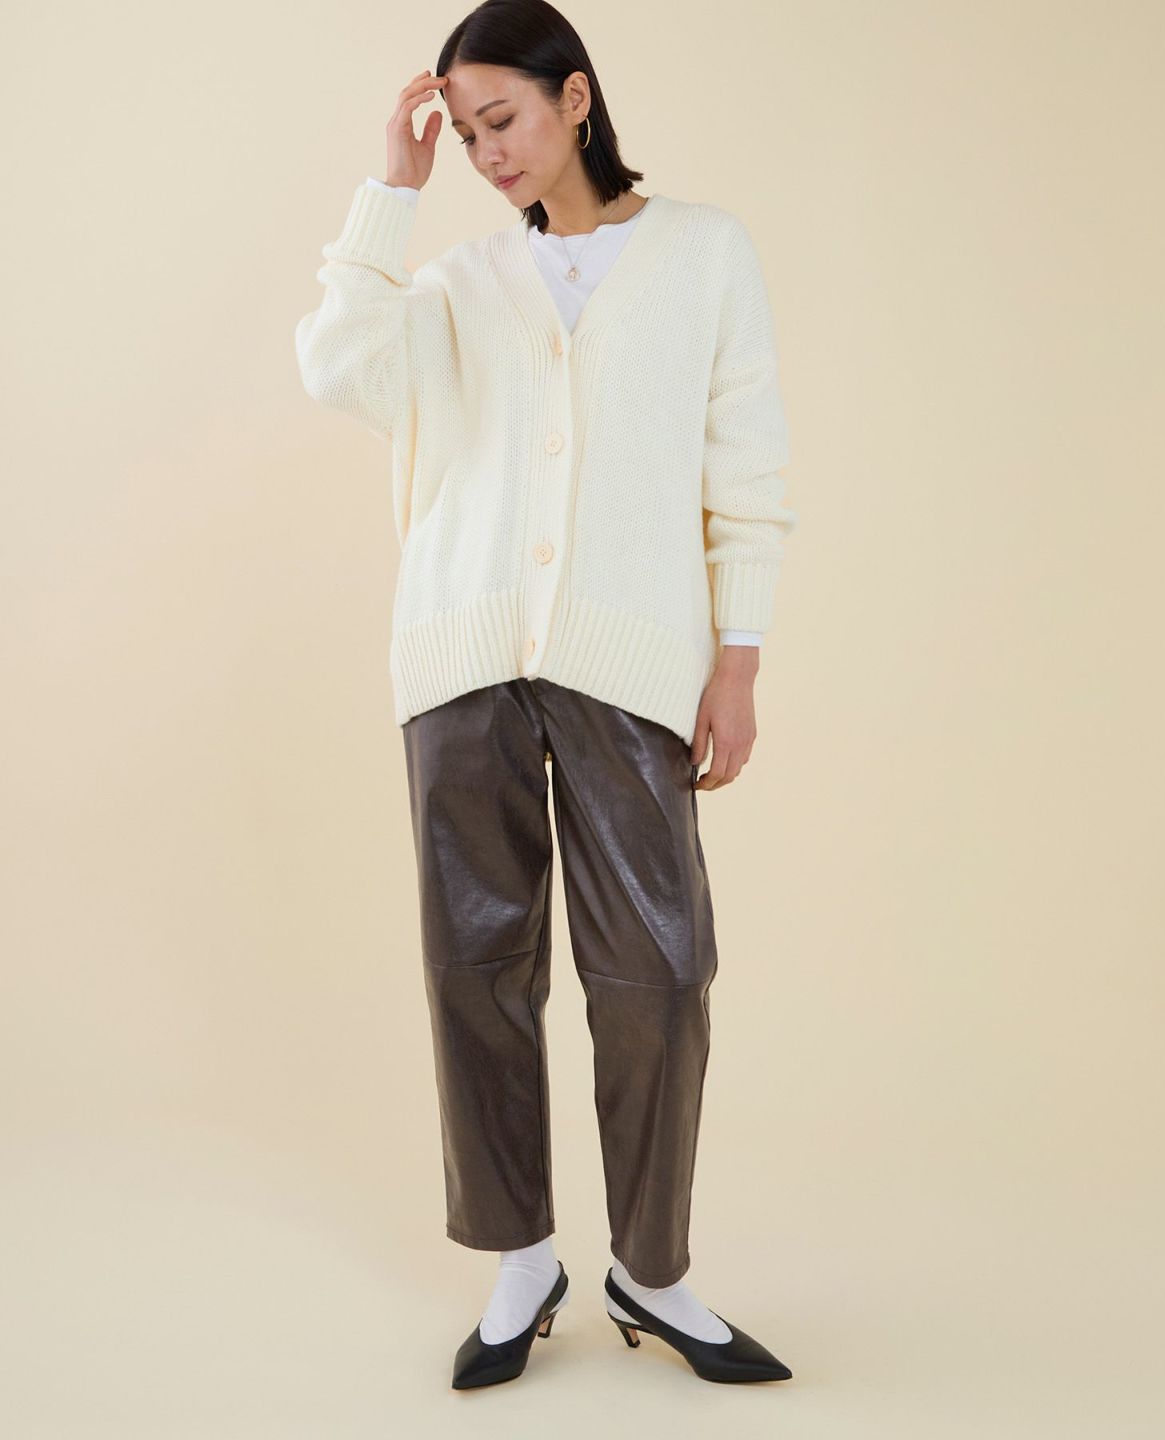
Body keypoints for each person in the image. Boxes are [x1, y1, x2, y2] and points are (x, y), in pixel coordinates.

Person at [294, 0, 796, 1389]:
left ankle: (652, 1270)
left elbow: (745, 460)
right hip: (461, 660)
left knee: (662, 973)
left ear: (576, 97)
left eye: (500, 118)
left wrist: (739, 656)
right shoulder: (458, 282)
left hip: (630, 663)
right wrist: (390, 194)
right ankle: (522, 1259)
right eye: (462, 135)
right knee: (476, 968)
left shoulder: (703, 254)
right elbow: (337, 367)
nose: (484, 152)